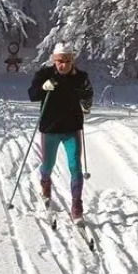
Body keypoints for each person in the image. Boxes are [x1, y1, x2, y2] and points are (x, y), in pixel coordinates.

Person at [28, 41, 93, 220]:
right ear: (54, 60)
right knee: (47, 165)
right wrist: (43, 87)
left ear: (72, 60)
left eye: (67, 60)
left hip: (72, 128)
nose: (63, 65)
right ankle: (45, 185)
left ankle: (77, 205)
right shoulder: (45, 74)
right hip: (50, 128)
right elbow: (32, 95)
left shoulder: (81, 77)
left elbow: (88, 93)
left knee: (75, 166)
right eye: (59, 61)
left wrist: (86, 105)